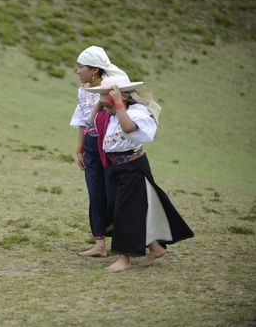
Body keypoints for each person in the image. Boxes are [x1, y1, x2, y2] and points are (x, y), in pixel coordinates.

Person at [86, 75, 194, 272]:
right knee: (135, 210)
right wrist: (103, 103)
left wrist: (117, 103)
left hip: (132, 166)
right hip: (116, 168)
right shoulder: (110, 115)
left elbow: (128, 128)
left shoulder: (136, 112)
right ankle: (156, 246)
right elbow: (92, 120)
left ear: (123, 98)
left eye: (107, 104)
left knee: (124, 213)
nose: (106, 109)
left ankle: (124, 258)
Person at [69, 46, 128, 257]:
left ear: (94, 70)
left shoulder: (110, 88)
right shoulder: (82, 89)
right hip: (91, 147)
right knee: (95, 194)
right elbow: (83, 121)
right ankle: (99, 244)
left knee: (112, 195)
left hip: (109, 147)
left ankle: (123, 239)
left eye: (81, 67)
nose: (77, 71)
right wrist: (80, 149)